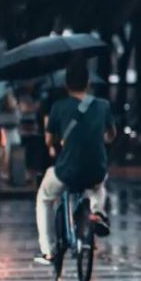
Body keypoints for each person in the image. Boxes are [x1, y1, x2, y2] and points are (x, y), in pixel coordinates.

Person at [34, 61, 115, 265]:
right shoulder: (103, 106)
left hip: (67, 170)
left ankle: (49, 250)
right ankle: (97, 212)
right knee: (99, 185)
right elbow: (111, 135)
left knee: (44, 198)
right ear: (88, 82)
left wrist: (59, 141)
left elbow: (48, 141)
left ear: (66, 85)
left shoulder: (58, 107)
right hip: (96, 168)